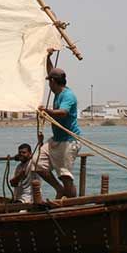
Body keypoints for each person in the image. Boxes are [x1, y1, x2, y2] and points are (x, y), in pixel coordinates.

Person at [36, 48, 81, 198]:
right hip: (57, 140)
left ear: (53, 82)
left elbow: (63, 113)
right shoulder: (58, 92)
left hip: (68, 141)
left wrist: (46, 111)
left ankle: (72, 206)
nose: (49, 82)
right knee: (38, 164)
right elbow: (51, 70)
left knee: (65, 176)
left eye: (50, 80)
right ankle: (59, 189)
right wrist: (48, 56)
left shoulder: (68, 95)